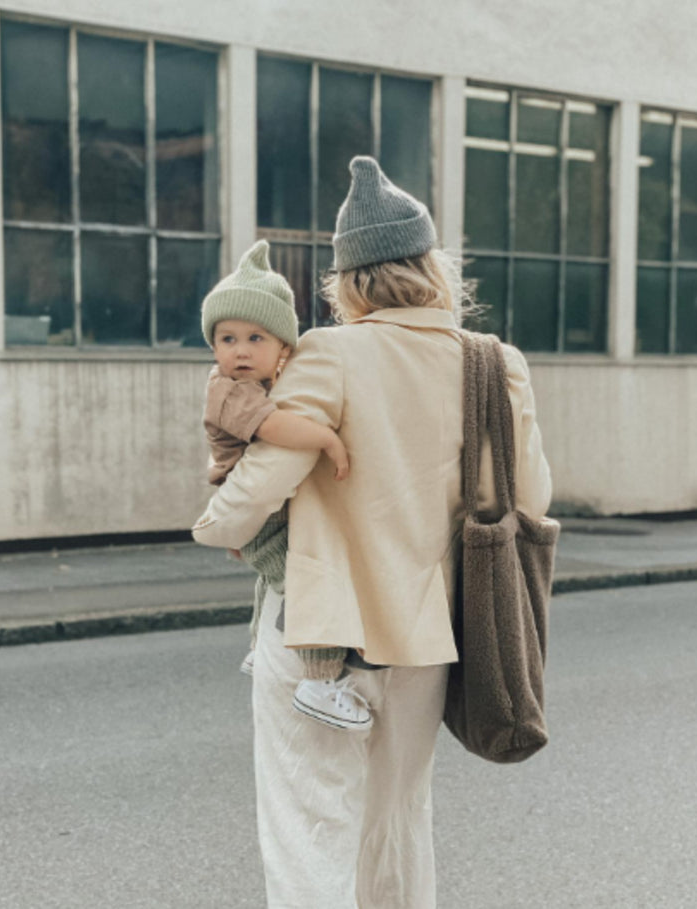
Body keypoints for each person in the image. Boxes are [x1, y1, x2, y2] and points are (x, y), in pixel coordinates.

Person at [192, 156, 552, 909]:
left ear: (348, 282)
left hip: (322, 633)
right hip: (428, 639)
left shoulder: (331, 350)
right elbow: (531, 496)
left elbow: (266, 478)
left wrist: (219, 525)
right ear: (432, 267)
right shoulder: (495, 363)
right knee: (397, 822)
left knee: (311, 825)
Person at [200, 239, 371, 732]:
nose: (240, 351)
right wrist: (328, 440)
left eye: (256, 338)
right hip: (257, 510)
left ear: (284, 349)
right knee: (303, 581)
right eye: (227, 339)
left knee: (273, 577)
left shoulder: (263, 384)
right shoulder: (227, 391)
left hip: (259, 510)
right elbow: (274, 429)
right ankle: (320, 680)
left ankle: (259, 647)